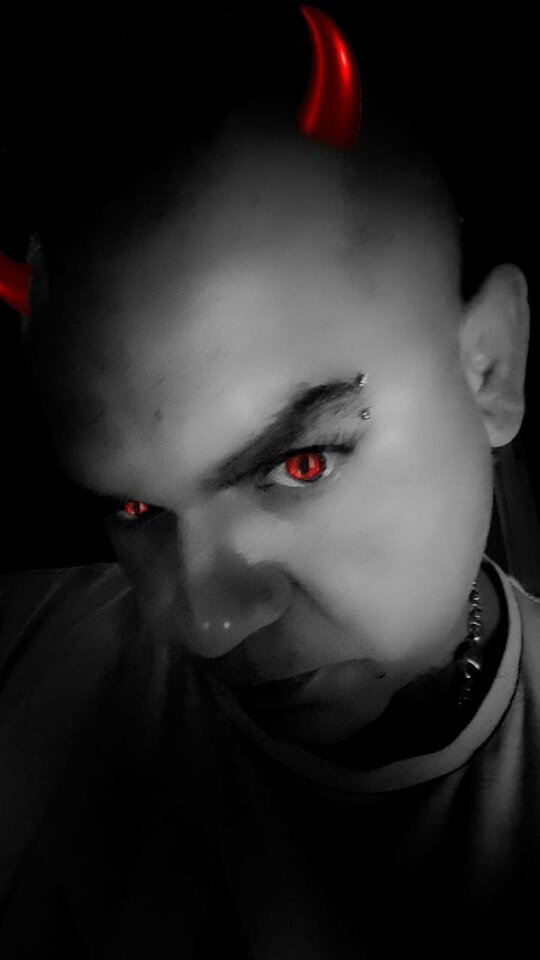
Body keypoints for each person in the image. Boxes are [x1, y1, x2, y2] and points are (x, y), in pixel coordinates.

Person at [0, 5, 537, 958]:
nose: (201, 622)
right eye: (134, 508)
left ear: (487, 369)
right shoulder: (26, 669)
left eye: (300, 464)